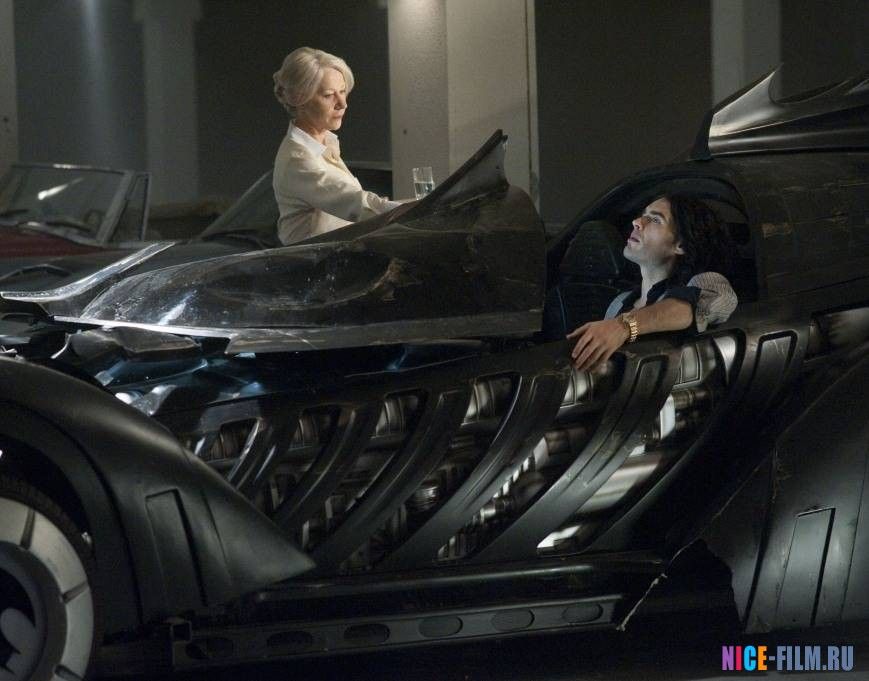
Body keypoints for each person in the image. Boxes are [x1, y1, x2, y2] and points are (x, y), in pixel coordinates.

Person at [568, 194, 738, 371]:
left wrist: (623, 326)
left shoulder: (708, 283)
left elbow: (707, 303)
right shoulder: (618, 303)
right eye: (643, 215)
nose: (637, 222)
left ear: (680, 245)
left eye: (655, 220)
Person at [272, 47, 402, 245]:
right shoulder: (297, 158)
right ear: (300, 99)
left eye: (342, 92)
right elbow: (357, 204)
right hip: (313, 263)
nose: (343, 103)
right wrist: (423, 207)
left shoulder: (323, 144)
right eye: (328, 95)